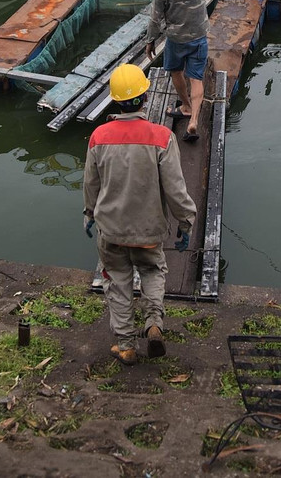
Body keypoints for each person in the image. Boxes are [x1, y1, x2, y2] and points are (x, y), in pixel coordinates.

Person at [82, 63, 196, 366]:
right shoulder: (161, 137)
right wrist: (186, 221)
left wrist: (89, 213)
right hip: (149, 231)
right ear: (145, 98)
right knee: (152, 272)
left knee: (117, 281)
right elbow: (175, 188)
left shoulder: (98, 137)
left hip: (112, 232)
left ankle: (126, 345)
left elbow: (90, 184)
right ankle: (154, 323)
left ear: (115, 100)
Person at [145, 0, 227, 143]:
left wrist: (150, 40)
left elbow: (155, 17)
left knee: (175, 71)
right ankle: (195, 120)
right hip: (198, 35)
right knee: (196, 78)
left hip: (175, 38)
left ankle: (186, 107)